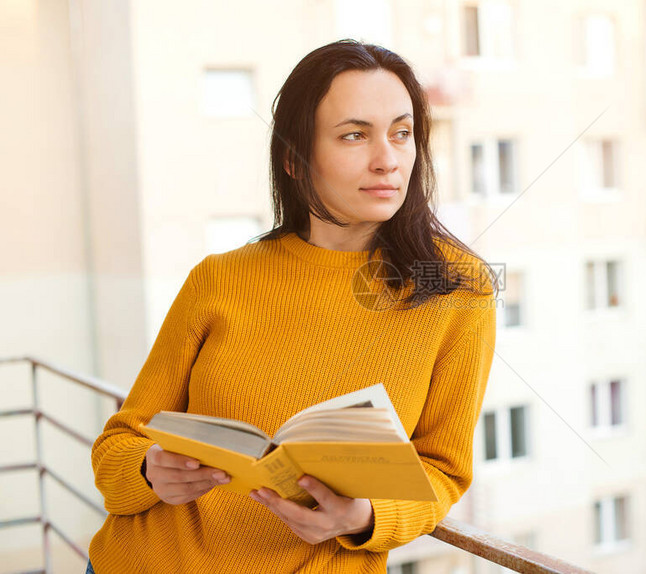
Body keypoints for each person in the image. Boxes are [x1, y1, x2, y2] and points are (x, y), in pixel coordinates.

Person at [87, 39, 497, 573]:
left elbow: (443, 470)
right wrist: (148, 471)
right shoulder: (219, 278)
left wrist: (364, 517)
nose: (387, 160)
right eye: (355, 135)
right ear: (294, 159)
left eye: (402, 133)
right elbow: (119, 442)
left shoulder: (458, 290)